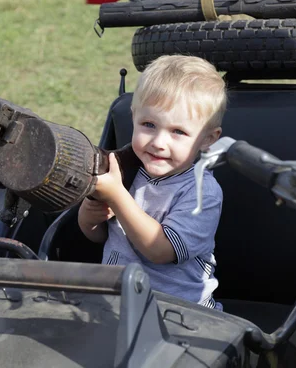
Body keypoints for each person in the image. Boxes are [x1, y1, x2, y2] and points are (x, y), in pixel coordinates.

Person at [78, 55, 227, 309]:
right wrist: (91, 214)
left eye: (178, 132)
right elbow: (97, 237)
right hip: (116, 301)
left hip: (182, 314)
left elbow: (160, 251)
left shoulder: (202, 191)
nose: (158, 142)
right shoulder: (125, 168)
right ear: (133, 117)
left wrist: (116, 196)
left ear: (207, 139)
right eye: (148, 124)